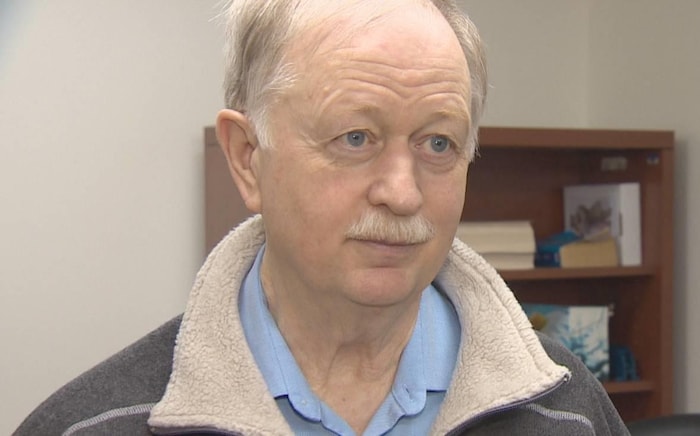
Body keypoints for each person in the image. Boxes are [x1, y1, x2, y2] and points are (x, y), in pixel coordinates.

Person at [15, 0, 630, 435]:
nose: (402, 193)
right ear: (248, 158)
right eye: (355, 138)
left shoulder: (568, 409)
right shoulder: (91, 425)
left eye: (438, 143)